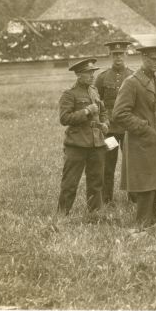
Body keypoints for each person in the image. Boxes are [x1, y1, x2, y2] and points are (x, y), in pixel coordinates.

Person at [113, 46, 156, 227]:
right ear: (144, 58)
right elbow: (119, 113)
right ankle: (142, 224)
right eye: (153, 59)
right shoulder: (132, 82)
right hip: (142, 141)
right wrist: (143, 127)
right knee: (145, 183)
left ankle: (152, 223)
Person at [57, 58, 109, 215]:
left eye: (93, 72)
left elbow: (103, 111)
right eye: (88, 73)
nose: (92, 76)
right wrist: (86, 111)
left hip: (97, 144)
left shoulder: (94, 91)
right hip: (77, 145)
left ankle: (95, 214)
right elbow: (64, 118)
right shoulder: (69, 94)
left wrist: (106, 123)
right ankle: (62, 214)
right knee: (70, 182)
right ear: (79, 75)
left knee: (96, 182)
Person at [94, 40, 134, 204]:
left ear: (126, 54)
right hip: (110, 131)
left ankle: (134, 197)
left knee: (131, 163)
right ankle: (106, 198)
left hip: (127, 130)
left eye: (121, 54)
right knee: (108, 164)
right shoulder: (102, 78)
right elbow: (97, 103)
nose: (118, 57)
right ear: (111, 55)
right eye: (115, 54)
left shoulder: (133, 76)